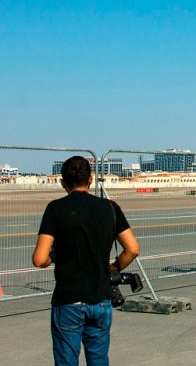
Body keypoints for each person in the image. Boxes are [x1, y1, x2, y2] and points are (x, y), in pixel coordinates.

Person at [32, 156, 140, 366]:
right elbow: (133, 249)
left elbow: (39, 259)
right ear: (90, 179)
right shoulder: (110, 208)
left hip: (68, 299)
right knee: (99, 358)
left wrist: (53, 256)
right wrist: (113, 268)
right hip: (100, 298)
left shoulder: (55, 209)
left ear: (63, 182)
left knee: (66, 360)